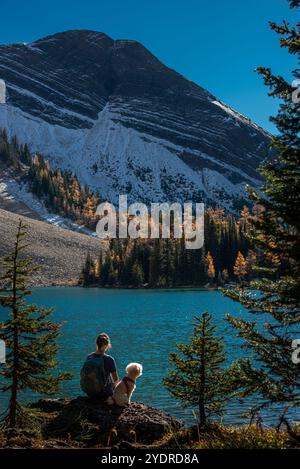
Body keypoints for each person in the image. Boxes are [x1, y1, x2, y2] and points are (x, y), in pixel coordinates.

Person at [80, 332, 119, 399]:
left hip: (89, 392)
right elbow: (116, 380)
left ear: (96, 344)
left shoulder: (89, 357)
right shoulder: (109, 359)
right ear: (107, 345)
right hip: (103, 393)